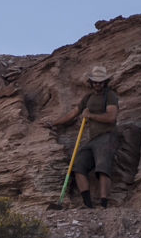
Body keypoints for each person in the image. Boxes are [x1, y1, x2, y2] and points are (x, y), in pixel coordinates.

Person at [42, 66, 121, 209]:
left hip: (108, 137)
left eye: (101, 81)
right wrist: (52, 123)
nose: (98, 84)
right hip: (93, 139)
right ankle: (87, 205)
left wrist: (90, 115)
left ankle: (103, 205)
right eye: (95, 82)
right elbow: (72, 114)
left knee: (102, 167)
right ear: (90, 82)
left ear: (105, 81)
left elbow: (111, 117)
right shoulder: (88, 98)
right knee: (77, 165)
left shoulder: (110, 95)